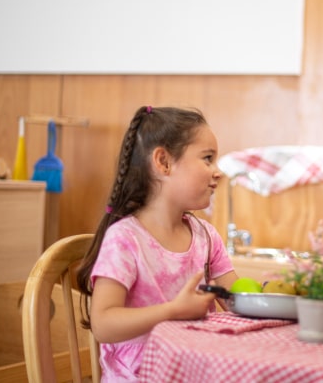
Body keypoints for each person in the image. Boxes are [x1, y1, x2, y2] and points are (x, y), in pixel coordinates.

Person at [77, 105, 239, 381]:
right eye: (207, 159)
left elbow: (238, 301)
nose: (217, 172)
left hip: (194, 372)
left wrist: (282, 295)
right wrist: (173, 311)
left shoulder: (207, 236)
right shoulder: (125, 239)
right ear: (163, 162)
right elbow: (103, 323)